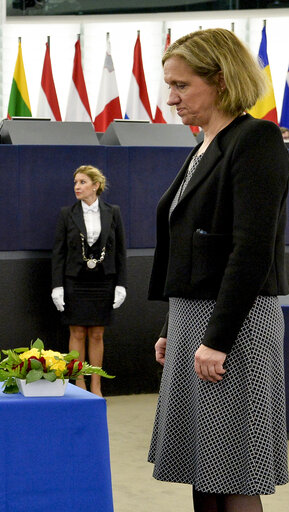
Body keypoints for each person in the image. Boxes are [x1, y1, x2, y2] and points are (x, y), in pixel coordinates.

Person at [147, 28, 289, 511]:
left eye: (182, 85)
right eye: (170, 85)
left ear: (222, 81)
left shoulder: (257, 139)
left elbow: (251, 250)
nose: (171, 99)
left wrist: (218, 338)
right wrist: (174, 323)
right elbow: (194, 247)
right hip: (195, 321)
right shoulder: (207, 145)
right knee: (203, 466)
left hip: (234, 327)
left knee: (232, 469)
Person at [50, 165, 126, 397]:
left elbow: (120, 251)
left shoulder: (113, 212)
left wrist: (121, 284)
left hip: (103, 282)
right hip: (75, 281)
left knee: (96, 334)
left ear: (96, 185)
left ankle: (96, 385)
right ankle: (79, 383)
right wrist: (57, 286)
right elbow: (59, 253)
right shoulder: (67, 213)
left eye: (82, 182)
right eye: (75, 183)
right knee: (77, 333)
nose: (77, 187)